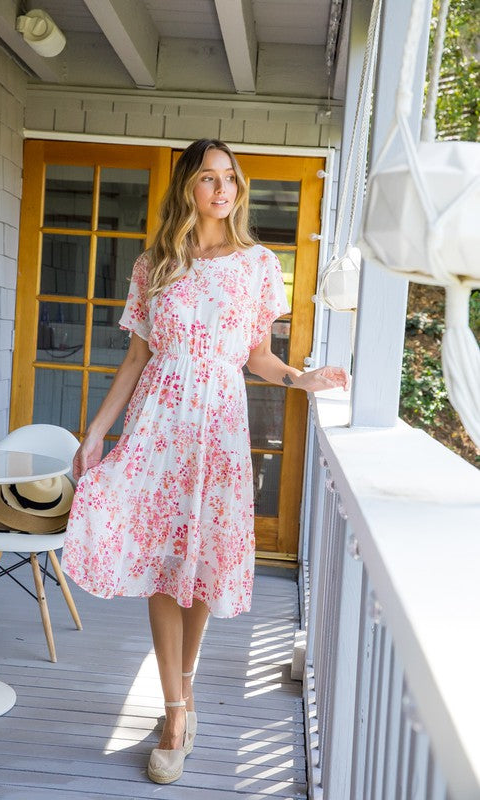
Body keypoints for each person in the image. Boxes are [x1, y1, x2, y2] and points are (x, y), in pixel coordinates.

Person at [61, 138, 348, 785]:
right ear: (187, 188)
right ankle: (172, 716)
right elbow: (135, 358)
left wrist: (300, 379)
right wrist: (96, 432)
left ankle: (183, 694)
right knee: (165, 568)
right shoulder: (154, 264)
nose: (223, 190)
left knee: (202, 569)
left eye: (230, 178)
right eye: (209, 178)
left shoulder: (257, 265)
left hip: (216, 428)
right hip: (158, 424)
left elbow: (257, 356)